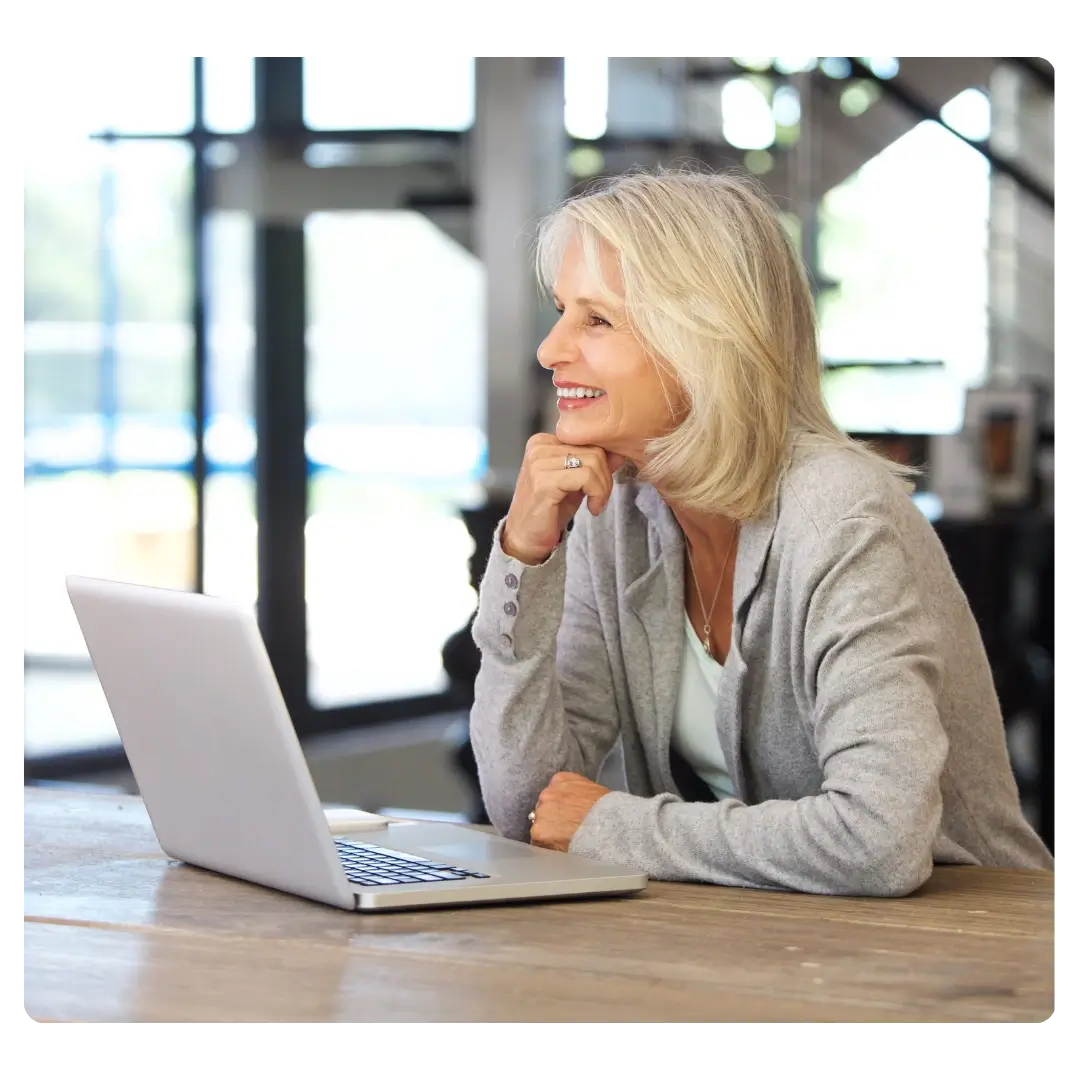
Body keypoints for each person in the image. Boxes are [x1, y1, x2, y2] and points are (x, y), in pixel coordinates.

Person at [468, 167, 1054, 896]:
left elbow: (880, 841)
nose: (550, 349)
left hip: (966, 938)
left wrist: (613, 828)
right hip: (772, 935)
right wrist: (524, 557)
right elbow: (529, 804)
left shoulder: (840, 517)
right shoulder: (609, 509)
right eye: (562, 311)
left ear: (704, 341)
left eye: (597, 320)